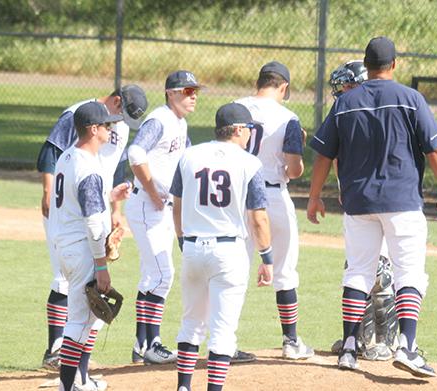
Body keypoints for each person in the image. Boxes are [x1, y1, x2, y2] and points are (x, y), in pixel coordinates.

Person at [307, 36, 437, 377]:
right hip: (401, 200)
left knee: (358, 271)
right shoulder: (410, 98)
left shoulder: (346, 102)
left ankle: (348, 347)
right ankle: (406, 346)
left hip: (358, 201)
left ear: (366, 64)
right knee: (409, 273)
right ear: (394, 64)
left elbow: (324, 154)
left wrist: (315, 196)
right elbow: (434, 149)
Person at [36, 85, 148, 372]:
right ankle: (59, 354)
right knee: (71, 289)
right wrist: (48, 192)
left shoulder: (112, 132)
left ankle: (75, 370)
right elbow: (50, 153)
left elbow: (114, 170)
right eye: (118, 117)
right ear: (116, 101)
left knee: (85, 303)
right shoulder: (78, 116)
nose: (118, 126)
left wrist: (114, 208)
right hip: (75, 219)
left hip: (89, 206)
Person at [170, 103, 273, 391]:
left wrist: (182, 241)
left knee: (191, 323)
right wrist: (267, 258)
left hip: (192, 247)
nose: (250, 134)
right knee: (223, 330)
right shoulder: (249, 163)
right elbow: (258, 219)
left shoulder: (188, 156)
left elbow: (176, 207)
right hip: (228, 252)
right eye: (249, 129)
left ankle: (184, 387)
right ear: (239, 129)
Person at [48, 101, 131, 391]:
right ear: (93, 129)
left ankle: (77, 383)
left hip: (65, 248)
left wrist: (108, 195)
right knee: (79, 324)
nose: (111, 128)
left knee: (87, 320)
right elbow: (95, 224)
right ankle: (68, 386)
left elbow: (74, 199)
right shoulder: (89, 167)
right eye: (107, 125)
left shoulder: (68, 157)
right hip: (83, 251)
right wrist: (101, 265)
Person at [234, 61, 314, 360]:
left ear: (259, 82)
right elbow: (294, 171)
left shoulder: (235, 107)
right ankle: (291, 342)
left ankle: (225, 342)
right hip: (272, 196)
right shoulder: (288, 117)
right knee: (284, 271)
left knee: (234, 270)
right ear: (283, 87)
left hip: (236, 197)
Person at [124, 70, 199, 365]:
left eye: (195, 92)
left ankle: (142, 344)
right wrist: (152, 191)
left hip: (159, 208)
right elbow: (135, 153)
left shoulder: (179, 123)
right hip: (148, 206)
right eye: (187, 91)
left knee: (151, 276)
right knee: (163, 275)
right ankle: (154, 344)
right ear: (171, 93)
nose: (193, 96)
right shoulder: (160, 119)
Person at [328, 60, 398, 361]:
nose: (342, 92)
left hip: (388, 198)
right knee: (358, 268)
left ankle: (389, 340)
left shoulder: (384, 110)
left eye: (347, 86)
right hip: (359, 200)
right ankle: (359, 336)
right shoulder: (346, 113)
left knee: (380, 271)